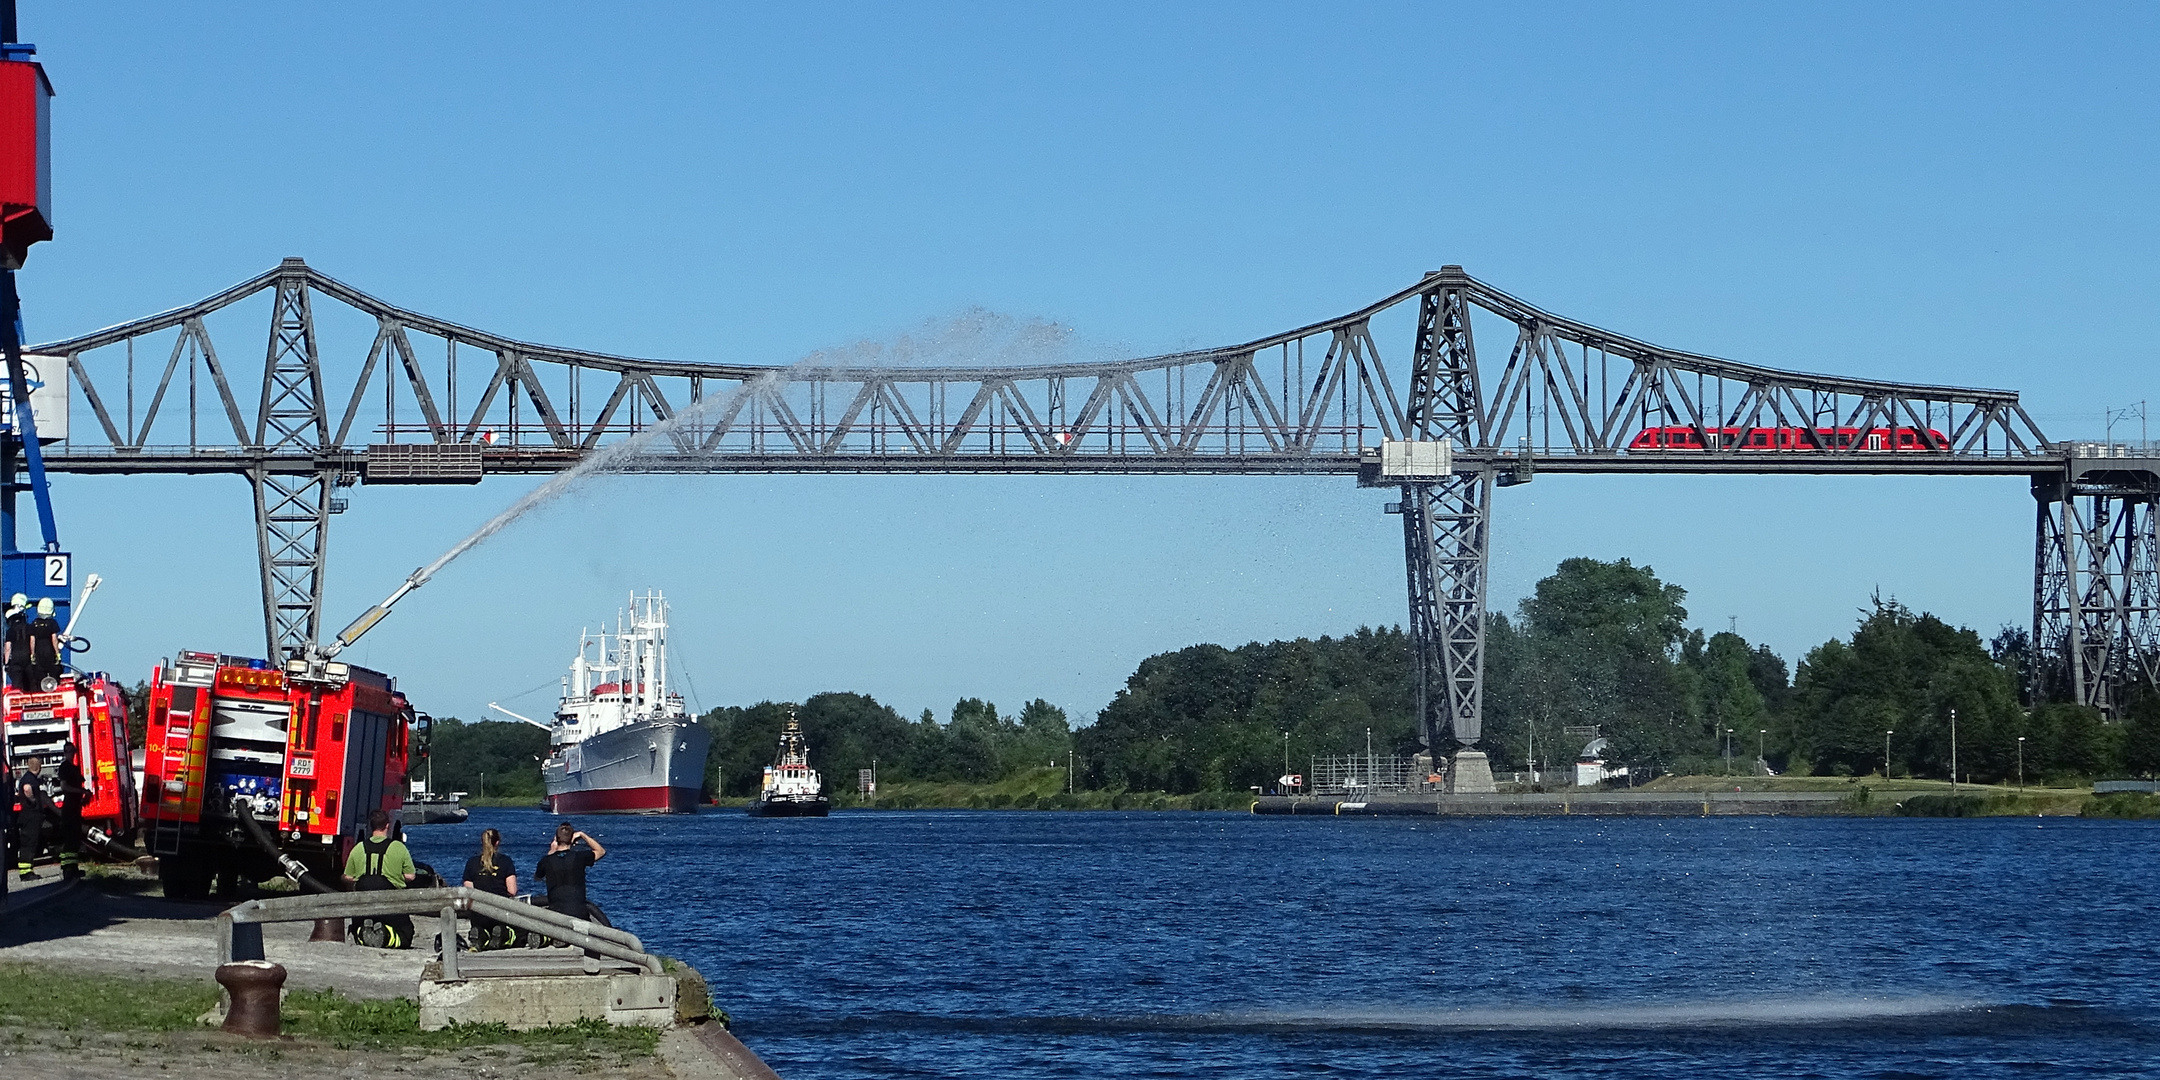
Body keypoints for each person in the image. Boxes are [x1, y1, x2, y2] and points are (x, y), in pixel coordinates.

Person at [341, 809, 417, 947]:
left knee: (357, 928)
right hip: (390, 902)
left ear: (371, 826)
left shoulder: (358, 848)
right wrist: (397, 876)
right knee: (405, 935)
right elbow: (411, 876)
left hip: (363, 902)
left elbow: (348, 877)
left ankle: (363, 933)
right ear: (387, 825)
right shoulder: (398, 847)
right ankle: (385, 935)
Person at [460, 827, 520, 949]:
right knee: (515, 934)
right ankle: (502, 933)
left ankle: (480, 933)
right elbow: (512, 891)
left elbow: (468, 890)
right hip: (500, 912)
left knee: (482, 930)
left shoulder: (471, 862)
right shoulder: (505, 861)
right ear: (497, 843)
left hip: (479, 912)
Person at [533, 821, 605, 921]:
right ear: (572, 840)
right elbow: (601, 851)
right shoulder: (579, 857)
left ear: (556, 839)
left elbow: (537, 877)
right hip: (579, 913)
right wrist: (582, 835)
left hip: (557, 914)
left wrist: (552, 851)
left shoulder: (546, 861)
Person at [13, 765, 48, 880]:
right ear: (38, 768)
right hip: (30, 816)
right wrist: (33, 800)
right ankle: (26, 872)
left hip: (27, 816)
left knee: (28, 843)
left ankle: (26, 871)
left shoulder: (26, 777)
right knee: (29, 843)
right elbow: (27, 788)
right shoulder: (30, 779)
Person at [56, 743, 82, 880]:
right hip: (69, 807)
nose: (70, 754)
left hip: (76, 806)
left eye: (71, 751)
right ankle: (68, 869)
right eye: (67, 751)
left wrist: (84, 794)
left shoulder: (74, 768)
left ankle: (73, 867)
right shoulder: (65, 767)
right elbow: (64, 786)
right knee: (70, 838)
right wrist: (80, 791)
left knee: (75, 838)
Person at [26, 598, 61, 691]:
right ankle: (52, 689)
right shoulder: (52, 623)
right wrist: (57, 653)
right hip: (49, 650)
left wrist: (32, 654)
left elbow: (32, 640)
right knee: (53, 671)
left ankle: (40, 690)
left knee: (39, 673)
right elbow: (54, 639)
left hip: (38, 650)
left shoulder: (34, 623)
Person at [2, 594, 28, 690]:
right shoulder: (28, 628)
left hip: (16, 660)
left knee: (17, 686)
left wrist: (6, 663)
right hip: (28, 659)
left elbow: (7, 648)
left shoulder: (10, 631)